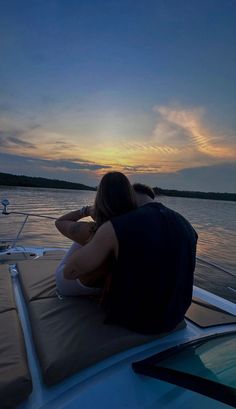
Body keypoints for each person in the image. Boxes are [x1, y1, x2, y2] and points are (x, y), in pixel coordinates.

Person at [64, 174, 198, 335]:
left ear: (127, 197)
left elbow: (70, 272)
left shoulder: (117, 226)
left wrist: (95, 235)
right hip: (174, 318)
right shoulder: (187, 226)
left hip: (134, 321)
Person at [55, 172, 137, 296]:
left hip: (73, 285)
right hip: (108, 286)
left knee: (86, 239)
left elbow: (60, 222)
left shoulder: (93, 230)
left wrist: (86, 210)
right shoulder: (135, 228)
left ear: (100, 198)